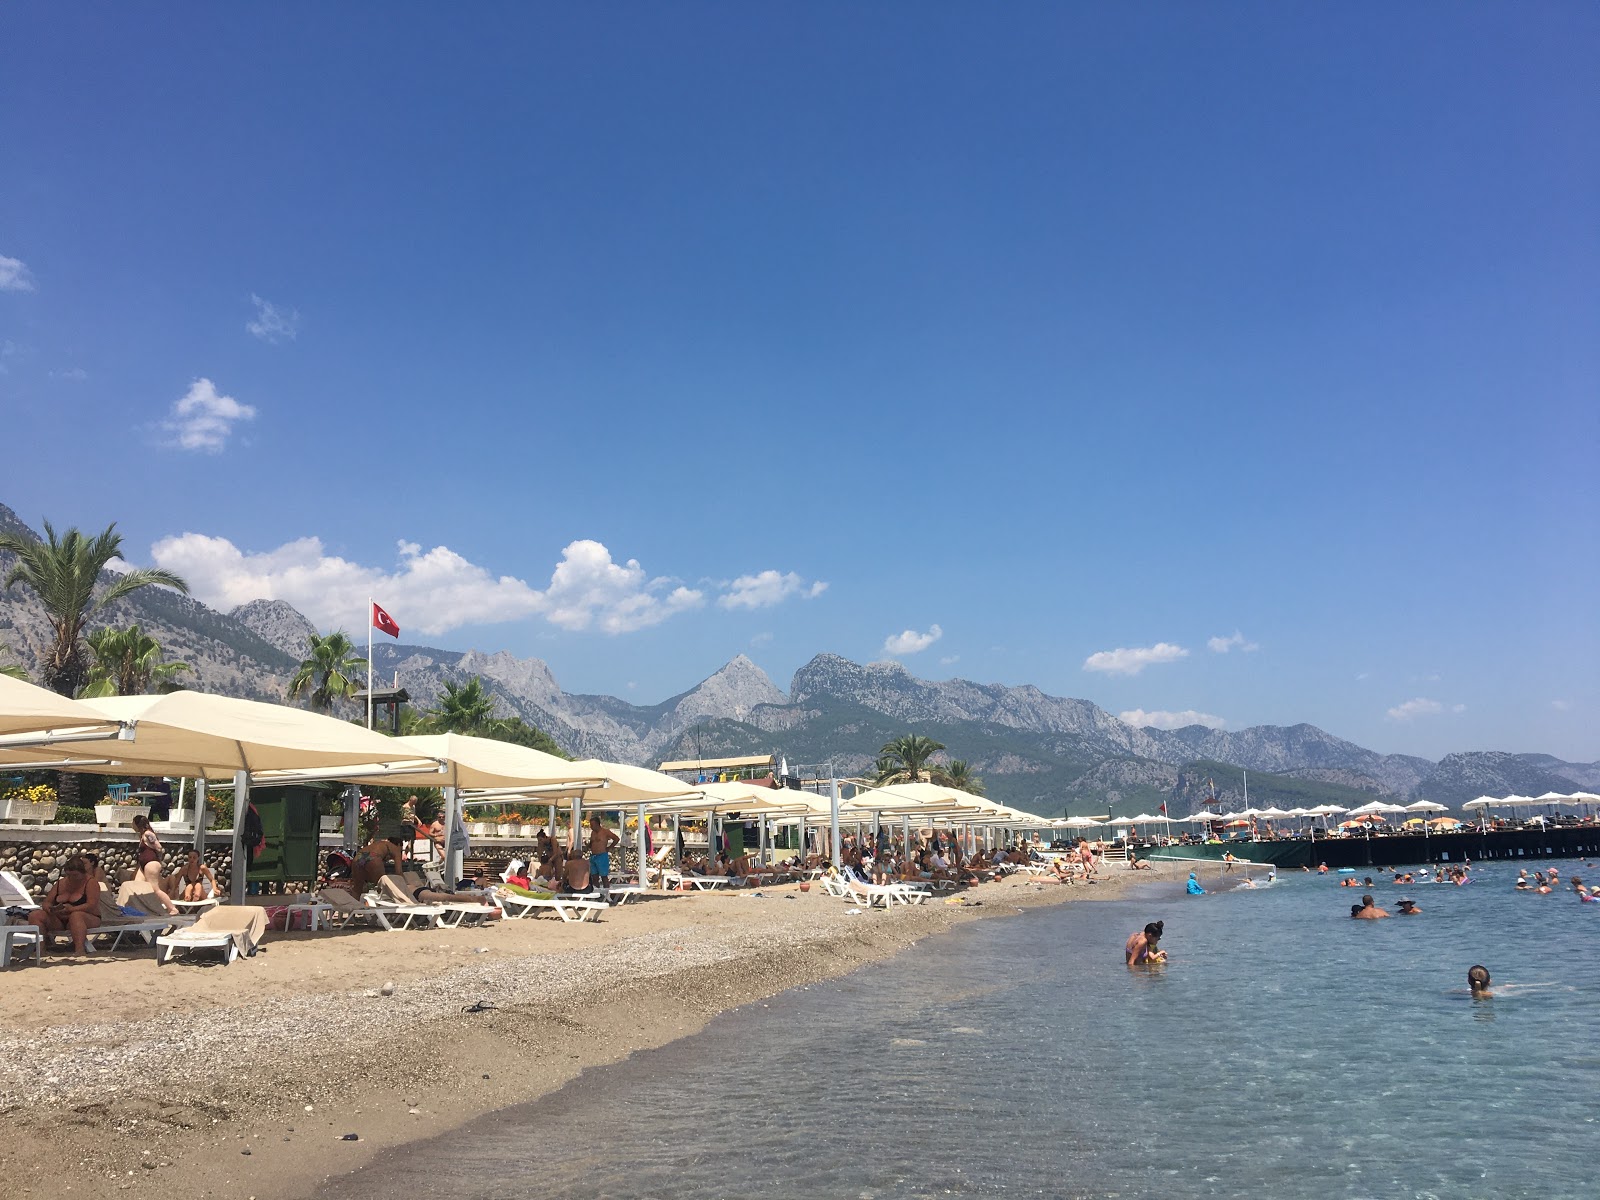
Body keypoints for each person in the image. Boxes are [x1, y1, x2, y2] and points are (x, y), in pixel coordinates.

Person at [28, 856, 101, 954]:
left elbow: (91, 905)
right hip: (60, 919)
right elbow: (47, 901)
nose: (71, 878)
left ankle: (79, 949)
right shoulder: (60, 884)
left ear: (83, 873)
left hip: (87, 918)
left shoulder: (90, 882)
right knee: (36, 915)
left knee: (76, 916)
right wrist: (49, 908)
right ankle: (40, 948)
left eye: (75, 875)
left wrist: (72, 909)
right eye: (69, 875)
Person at [131, 814, 179, 914]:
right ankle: (140, 908)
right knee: (137, 885)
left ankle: (172, 908)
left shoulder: (148, 834)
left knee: (155, 889)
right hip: (143, 865)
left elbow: (159, 847)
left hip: (150, 863)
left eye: (133, 823)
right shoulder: (142, 835)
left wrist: (158, 859)